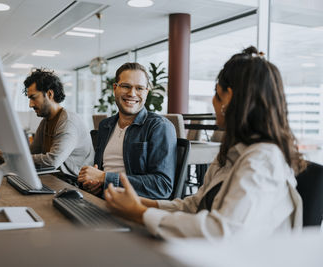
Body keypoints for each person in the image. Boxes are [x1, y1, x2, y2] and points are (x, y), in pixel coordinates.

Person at [104, 47, 306, 240]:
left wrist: (140, 213)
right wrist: (142, 204)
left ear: (229, 98)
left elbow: (221, 232)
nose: (213, 101)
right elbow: (194, 205)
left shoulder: (263, 160)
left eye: (217, 93)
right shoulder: (233, 152)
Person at [78, 62, 177, 199]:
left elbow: (162, 186)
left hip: (133, 208)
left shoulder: (159, 127)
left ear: (146, 92)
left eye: (140, 88)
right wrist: (93, 184)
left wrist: (104, 178)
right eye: (126, 86)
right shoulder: (105, 126)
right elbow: (99, 173)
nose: (132, 93)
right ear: (115, 88)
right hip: (101, 201)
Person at [0, 69, 94, 176]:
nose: (30, 105)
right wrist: (3, 155)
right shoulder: (46, 121)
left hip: (73, 183)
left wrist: (9, 157)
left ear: (50, 94)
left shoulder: (68, 122)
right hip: (54, 178)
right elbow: (31, 154)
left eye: (33, 98)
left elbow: (52, 161)